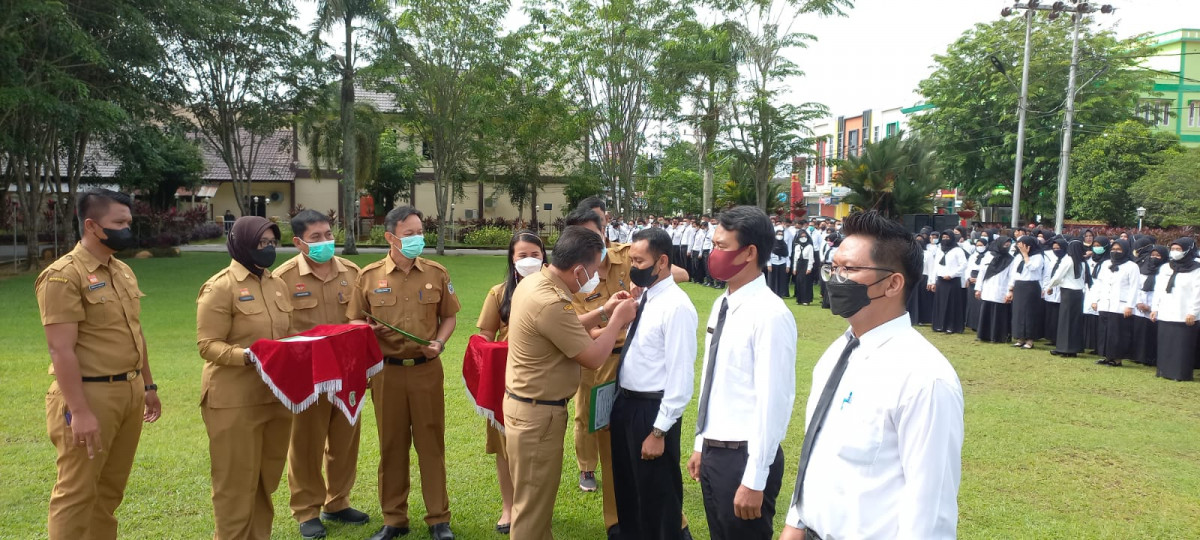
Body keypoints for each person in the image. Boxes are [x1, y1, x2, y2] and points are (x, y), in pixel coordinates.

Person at [781, 210, 963, 540]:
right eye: (833, 267)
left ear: (893, 283)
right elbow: (818, 452)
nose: (834, 278)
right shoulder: (837, 352)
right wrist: (796, 522)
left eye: (849, 269)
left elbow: (929, 510)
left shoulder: (924, 378)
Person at [36, 189, 161, 540]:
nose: (127, 229)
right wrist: (80, 412)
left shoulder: (121, 271)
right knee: (76, 492)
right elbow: (61, 350)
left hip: (129, 391)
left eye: (129, 222)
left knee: (108, 492)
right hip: (90, 396)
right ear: (92, 225)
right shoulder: (63, 276)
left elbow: (135, 332)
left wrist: (148, 386)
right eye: (119, 223)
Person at [504, 226, 637, 540]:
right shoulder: (551, 301)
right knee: (532, 513)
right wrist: (618, 320)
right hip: (538, 416)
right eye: (592, 271)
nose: (595, 277)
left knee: (536, 505)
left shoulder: (536, 282)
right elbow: (592, 357)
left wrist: (603, 311)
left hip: (528, 409)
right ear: (579, 269)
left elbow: (561, 326)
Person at [347, 206, 460, 540]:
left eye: (420, 231)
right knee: (392, 446)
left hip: (426, 371)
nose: (417, 239)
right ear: (391, 237)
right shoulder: (368, 276)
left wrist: (438, 343)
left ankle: (439, 518)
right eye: (409, 233)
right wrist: (367, 332)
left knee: (431, 445)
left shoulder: (436, 273)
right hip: (387, 373)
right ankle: (394, 519)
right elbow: (354, 319)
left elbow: (449, 317)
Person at [687, 205, 796, 540]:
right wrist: (700, 442)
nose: (712, 253)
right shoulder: (723, 303)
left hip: (744, 456)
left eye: (722, 247)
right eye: (713, 244)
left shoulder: (769, 315)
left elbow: (773, 402)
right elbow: (713, 379)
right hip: (715, 449)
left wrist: (755, 477)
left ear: (750, 252)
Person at [196, 216, 294, 540]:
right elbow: (207, 345)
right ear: (241, 244)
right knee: (235, 487)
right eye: (261, 243)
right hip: (234, 402)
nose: (268, 249)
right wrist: (248, 357)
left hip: (275, 399)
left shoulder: (277, 283)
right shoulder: (220, 287)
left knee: (266, 483)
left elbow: (286, 334)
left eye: (271, 243)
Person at [274, 210, 369, 539]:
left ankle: (337, 501)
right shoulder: (283, 278)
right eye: (316, 238)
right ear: (299, 242)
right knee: (305, 444)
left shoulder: (353, 273)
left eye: (328, 234)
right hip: (308, 376)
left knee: (345, 441)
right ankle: (306, 510)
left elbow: (364, 319)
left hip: (348, 372)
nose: (326, 242)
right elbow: (277, 329)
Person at [610, 227, 698, 540]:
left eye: (639, 260)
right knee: (630, 493)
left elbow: (680, 376)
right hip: (627, 405)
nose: (633, 266)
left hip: (652, 411)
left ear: (661, 262)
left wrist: (658, 431)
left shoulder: (676, 307)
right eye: (631, 259)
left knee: (658, 499)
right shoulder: (646, 297)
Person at [476, 231, 547, 535]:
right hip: (503, 385)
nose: (529, 260)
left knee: (538, 452)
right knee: (504, 449)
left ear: (545, 256)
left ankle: (534, 509)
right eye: (522, 255)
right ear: (512, 259)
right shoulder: (498, 293)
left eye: (535, 254)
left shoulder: (555, 293)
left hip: (541, 385)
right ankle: (509, 508)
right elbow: (484, 338)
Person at [1150, 238, 1200, 381]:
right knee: (1166, 343)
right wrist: (1155, 308)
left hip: (1185, 313)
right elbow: (1158, 289)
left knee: (1182, 346)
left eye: (1179, 249)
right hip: (1167, 311)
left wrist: (1193, 312)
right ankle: (1164, 370)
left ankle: (1180, 373)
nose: (1175, 252)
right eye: (1173, 249)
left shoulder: (1196, 269)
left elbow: (1198, 293)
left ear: (1188, 250)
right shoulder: (1166, 267)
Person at [1091, 239, 1139, 367]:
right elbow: (1099, 283)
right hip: (1105, 303)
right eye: (1113, 249)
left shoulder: (1131, 266)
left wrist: (1130, 305)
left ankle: (1117, 359)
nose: (1115, 252)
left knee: (1118, 333)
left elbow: (1134, 287)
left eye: (1118, 250)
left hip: (1120, 305)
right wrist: (1095, 300)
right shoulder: (1106, 263)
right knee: (1104, 331)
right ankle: (1106, 356)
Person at [1049, 240, 1090, 358]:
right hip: (1078, 293)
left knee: (1065, 320)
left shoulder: (1068, 259)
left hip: (1068, 292)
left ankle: (1065, 348)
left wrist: (1050, 286)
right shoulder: (1082, 262)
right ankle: (1072, 348)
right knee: (1075, 321)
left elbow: (1058, 275)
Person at [1132, 245, 1168, 366]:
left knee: (1152, 335)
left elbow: (1163, 292)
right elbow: (1136, 288)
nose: (1154, 258)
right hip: (1140, 308)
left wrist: (1151, 307)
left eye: (1158, 256)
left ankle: (1151, 358)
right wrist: (1138, 303)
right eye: (1153, 255)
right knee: (1140, 333)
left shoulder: (1166, 272)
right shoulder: (1142, 269)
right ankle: (1138, 356)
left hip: (1155, 309)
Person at [975, 236, 1014, 343]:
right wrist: (978, 288)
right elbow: (981, 273)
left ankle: (998, 336)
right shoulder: (988, 256)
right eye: (1004, 244)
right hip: (987, 288)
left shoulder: (1010, 259)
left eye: (1008, 245)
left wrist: (1009, 291)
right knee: (986, 312)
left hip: (1001, 289)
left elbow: (1012, 276)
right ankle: (984, 335)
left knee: (999, 314)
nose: (1006, 247)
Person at [1009, 236, 1046, 349]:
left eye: (1022, 245)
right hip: (1019, 285)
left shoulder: (1038, 257)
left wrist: (1026, 255)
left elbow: (1033, 268)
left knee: (1030, 313)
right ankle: (1020, 338)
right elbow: (1014, 273)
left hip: (1031, 286)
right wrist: (1011, 288)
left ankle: (1030, 340)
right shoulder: (1017, 257)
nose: (1020, 247)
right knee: (1019, 313)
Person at [929, 229, 967, 334]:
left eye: (947, 238)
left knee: (951, 304)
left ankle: (951, 326)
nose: (945, 240)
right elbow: (935, 266)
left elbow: (963, 265)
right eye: (944, 238)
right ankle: (940, 325)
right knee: (940, 303)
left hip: (952, 281)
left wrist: (952, 275)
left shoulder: (957, 250)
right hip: (941, 281)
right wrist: (933, 281)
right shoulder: (939, 250)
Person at [1083, 237, 1111, 353]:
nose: (1096, 248)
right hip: (1089, 291)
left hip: (1101, 293)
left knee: (1099, 320)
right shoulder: (1090, 260)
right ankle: (1089, 344)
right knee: (1089, 318)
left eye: (1099, 245)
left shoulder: (1108, 262)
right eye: (1095, 245)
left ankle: (1098, 347)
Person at [1041, 236, 1067, 349]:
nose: (1056, 250)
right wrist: (1045, 287)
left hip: (1061, 293)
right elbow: (1047, 275)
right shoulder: (1053, 261)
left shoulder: (1067, 260)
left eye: (1058, 248)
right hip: (1050, 293)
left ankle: (1058, 339)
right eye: (1054, 248)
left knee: (1059, 317)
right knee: (1051, 317)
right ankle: (1052, 338)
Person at [965, 236, 990, 331]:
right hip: (972, 279)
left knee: (980, 303)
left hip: (982, 279)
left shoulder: (988, 256)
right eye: (977, 245)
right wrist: (968, 278)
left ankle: (981, 324)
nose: (979, 247)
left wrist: (979, 280)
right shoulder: (973, 256)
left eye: (981, 245)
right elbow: (968, 268)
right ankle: (973, 323)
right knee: (972, 303)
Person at [791, 229, 816, 306]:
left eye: (805, 236)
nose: (803, 238)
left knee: (806, 282)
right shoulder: (797, 246)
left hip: (806, 263)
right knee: (799, 282)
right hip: (799, 264)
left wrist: (809, 268)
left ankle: (806, 299)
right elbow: (795, 258)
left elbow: (811, 258)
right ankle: (799, 299)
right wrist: (794, 268)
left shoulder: (809, 246)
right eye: (801, 236)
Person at [768, 229, 790, 298]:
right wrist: (769, 264)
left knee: (781, 279)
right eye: (778, 234)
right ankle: (772, 293)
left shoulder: (784, 245)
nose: (780, 236)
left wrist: (788, 266)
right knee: (772, 279)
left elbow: (787, 256)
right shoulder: (771, 244)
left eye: (781, 235)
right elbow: (768, 255)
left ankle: (780, 293)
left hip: (782, 263)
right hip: (773, 263)